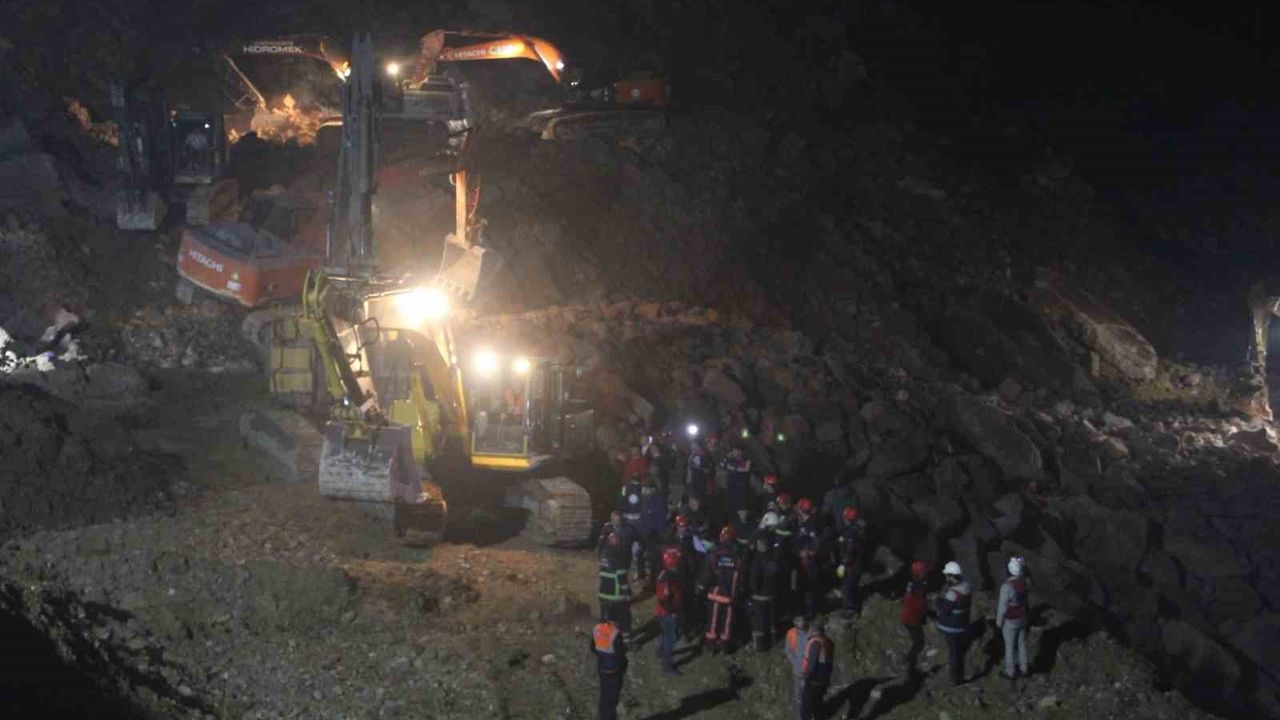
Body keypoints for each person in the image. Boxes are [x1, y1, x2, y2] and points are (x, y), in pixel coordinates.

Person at [597, 512, 637, 648]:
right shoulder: (620, 560)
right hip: (618, 597)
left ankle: (603, 644)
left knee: (605, 620)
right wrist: (628, 594)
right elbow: (622, 580)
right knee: (625, 619)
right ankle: (626, 643)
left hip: (604, 596)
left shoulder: (603, 560)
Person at [703, 525, 742, 653]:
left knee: (713, 619)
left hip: (715, 593)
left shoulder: (714, 554)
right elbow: (740, 574)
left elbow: (707, 574)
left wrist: (702, 585)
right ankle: (725, 644)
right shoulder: (737, 556)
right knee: (727, 620)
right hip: (730, 594)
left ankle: (711, 644)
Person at [935, 560, 972, 685]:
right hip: (963, 625)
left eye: (947, 576)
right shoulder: (967, 586)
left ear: (951, 576)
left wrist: (939, 599)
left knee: (954, 654)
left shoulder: (952, 594)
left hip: (951, 628)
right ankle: (959, 676)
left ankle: (955, 679)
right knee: (959, 653)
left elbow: (944, 610)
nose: (946, 578)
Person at [996, 555, 1031, 681]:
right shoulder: (1025, 583)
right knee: (1022, 644)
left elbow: (1002, 608)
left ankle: (1010, 672)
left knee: (1009, 647)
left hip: (1010, 622)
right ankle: (1024, 668)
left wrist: (999, 623)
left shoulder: (1006, 587)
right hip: (1022, 618)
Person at [591, 618, 628, 720]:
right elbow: (620, 656)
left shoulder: (597, 629)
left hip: (602, 669)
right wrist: (624, 666)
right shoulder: (615, 634)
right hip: (613, 671)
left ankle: (603, 715)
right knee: (611, 700)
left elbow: (593, 649)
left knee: (604, 696)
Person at [655, 546, 684, 674]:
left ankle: (660, 651)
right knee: (670, 638)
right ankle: (668, 665)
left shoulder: (664, 573)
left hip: (662, 611)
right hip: (668, 612)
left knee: (664, 633)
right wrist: (672, 612)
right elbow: (666, 597)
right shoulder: (669, 578)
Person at [799, 617, 834, 720]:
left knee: (805, 708)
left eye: (809, 629)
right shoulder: (828, 642)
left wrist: (806, 677)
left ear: (814, 631)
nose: (808, 632)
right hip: (824, 679)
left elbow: (812, 663)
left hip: (813, 680)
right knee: (818, 706)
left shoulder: (815, 643)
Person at [748, 533, 779, 651]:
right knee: (771, 621)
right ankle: (774, 641)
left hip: (759, 596)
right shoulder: (773, 558)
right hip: (771, 595)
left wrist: (753, 589)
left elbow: (755, 578)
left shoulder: (757, 559)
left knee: (759, 622)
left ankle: (759, 646)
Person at [794, 497, 823, 619]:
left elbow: (816, 543)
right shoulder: (802, 524)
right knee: (803, 586)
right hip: (802, 561)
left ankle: (813, 612)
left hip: (809, 562)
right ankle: (806, 610)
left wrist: (808, 553)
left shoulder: (811, 525)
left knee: (810, 587)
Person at [835, 506, 865, 618]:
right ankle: (855, 608)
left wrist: (843, 564)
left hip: (851, 566)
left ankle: (850, 610)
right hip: (856, 564)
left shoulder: (850, 532)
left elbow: (850, 551)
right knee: (852, 586)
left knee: (847, 587)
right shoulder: (857, 530)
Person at [901, 560, 929, 677]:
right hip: (913, 618)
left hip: (907, 615)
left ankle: (909, 661)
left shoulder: (912, 583)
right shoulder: (919, 586)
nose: (926, 573)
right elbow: (920, 604)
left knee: (916, 641)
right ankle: (909, 663)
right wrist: (928, 612)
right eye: (924, 571)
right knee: (919, 643)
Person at [638, 479, 669, 585]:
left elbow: (660, 520)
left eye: (646, 488)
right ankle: (643, 576)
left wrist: (659, 534)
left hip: (654, 535)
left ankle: (654, 580)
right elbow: (643, 517)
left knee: (654, 559)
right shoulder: (646, 500)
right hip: (645, 534)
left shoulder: (658, 501)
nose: (643, 491)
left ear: (652, 489)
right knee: (641, 555)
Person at [721, 445, 753, 513]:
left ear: (740, 451)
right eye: (733, 451)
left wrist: (734, 468)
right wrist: (726, 458)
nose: (734, 452)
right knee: (730, 505)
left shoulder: (746, 459)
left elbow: (746, 469)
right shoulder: (730, 459)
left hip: (741, 485)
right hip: (731, 485)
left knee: (741, 505)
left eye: (736, 450)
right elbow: (722, 465)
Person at [686, 437, 714, 503]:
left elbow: (710, 468)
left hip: (703, 483)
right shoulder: (692, 455)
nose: (691, 446)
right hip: (694, 481)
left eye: (693, 444)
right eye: (691, 445)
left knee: (701, 501)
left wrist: (700, 469)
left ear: (698, 445)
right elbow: (689, 466)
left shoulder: (705, 454)